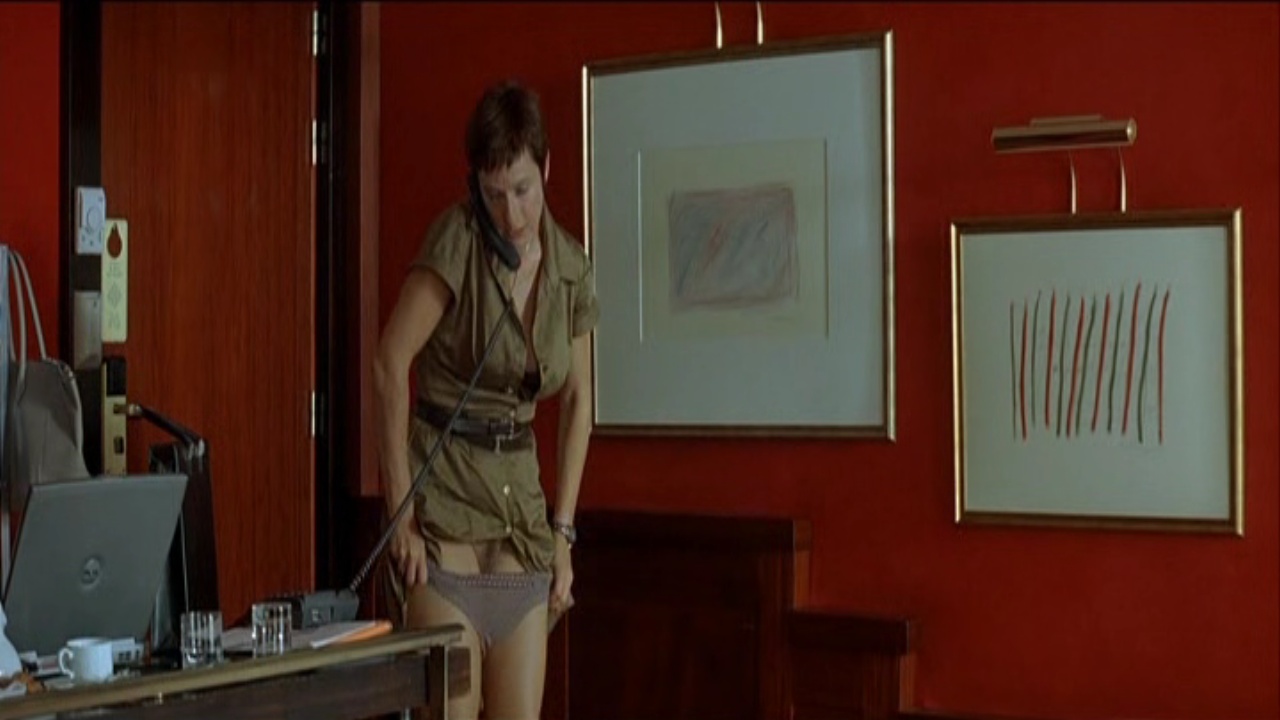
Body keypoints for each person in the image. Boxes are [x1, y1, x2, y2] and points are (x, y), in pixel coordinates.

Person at [373, 79, 597, 720]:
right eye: (494, 194)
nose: (512, 215)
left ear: (546, 169)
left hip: (519, 516)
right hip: (443, 506)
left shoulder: (571, 269)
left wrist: (563, 534)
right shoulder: (457, 240)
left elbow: (578, 402)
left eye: (522, 190)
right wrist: (401, 517)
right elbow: (389, 365)